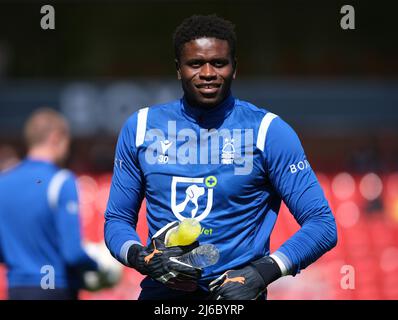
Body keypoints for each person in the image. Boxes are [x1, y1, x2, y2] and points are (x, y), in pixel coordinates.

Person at [104, 14, 337, 300]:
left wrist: (265, 271)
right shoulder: (139, 128)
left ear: (234, 68)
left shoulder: (268, 132)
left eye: (218, 63)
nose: (207, 73)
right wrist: (141, 257)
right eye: (195, 63)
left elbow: (322, 224)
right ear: (178, 69)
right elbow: (116, 219)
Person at [0, 108, 98, 300]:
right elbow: (73, 254)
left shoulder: (3, 183)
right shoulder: (61, 181)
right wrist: (99, 267)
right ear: (56, 138)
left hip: (16, 289)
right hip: (54, 287)